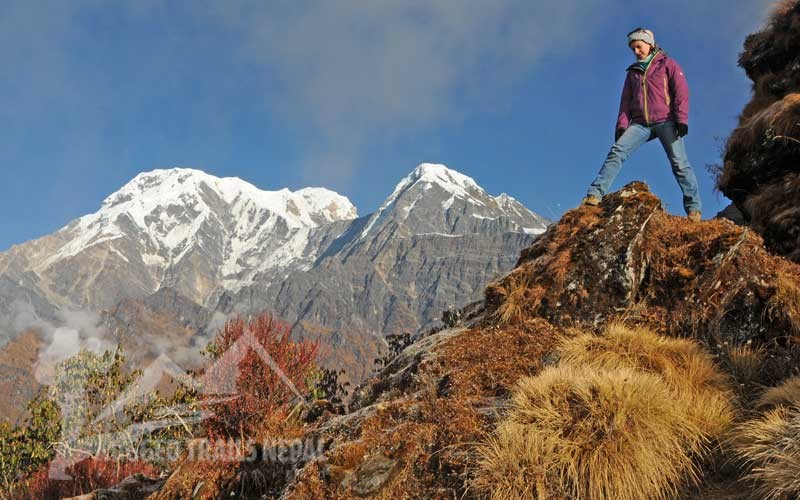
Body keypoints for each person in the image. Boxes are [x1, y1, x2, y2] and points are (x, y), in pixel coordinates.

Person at [582, 28, 702, 222]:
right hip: (639, 124)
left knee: (680, 163)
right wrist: (622, 125)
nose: (636, 51)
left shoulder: (667, 64)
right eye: (633, 48)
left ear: (650, 44)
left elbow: (681, 91)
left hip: (666, 120)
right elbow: (625, 101)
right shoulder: (633, 73)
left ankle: (694, 209)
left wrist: (681, 119)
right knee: (617, 151)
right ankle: (594, 195)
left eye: (639, 46)